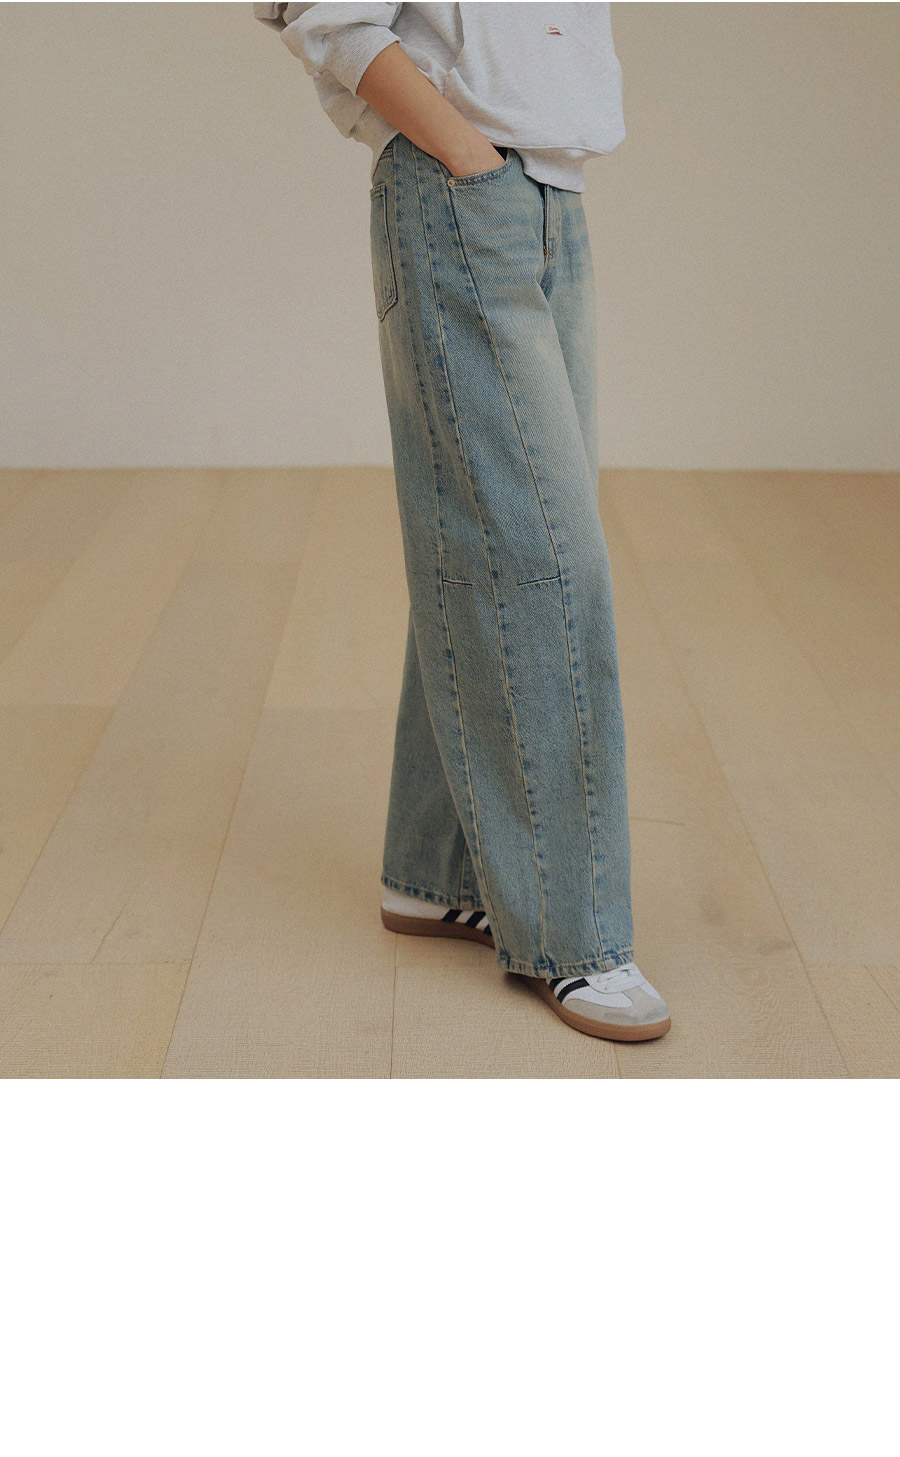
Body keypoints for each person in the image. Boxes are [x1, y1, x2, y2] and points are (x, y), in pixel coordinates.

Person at [253, 2, 671, 1042]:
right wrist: (463, 153)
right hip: (463, 184)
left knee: (488, 536)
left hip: (548, 190)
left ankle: (435, 868)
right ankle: (572, 931)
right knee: (542, 560)